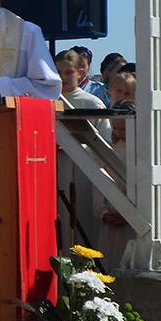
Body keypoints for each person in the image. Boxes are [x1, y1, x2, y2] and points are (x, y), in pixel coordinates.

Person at [55, 49, 111, 257]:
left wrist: (73, 145)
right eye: (58, 71)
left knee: (83, 227)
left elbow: (104, 144)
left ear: (80, 72)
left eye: (68, 72)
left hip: (83, 174)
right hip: (55, 172)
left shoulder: (91, 103)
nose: (62, 77)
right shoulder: (45, 99)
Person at [92, 100, 137, 273]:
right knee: (107, 259)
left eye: (123, 129)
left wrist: (130, 212)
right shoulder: (108, 149)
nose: (118, 132)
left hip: (131, 214)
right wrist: (102, 211)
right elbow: (99, 182)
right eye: (115, 128)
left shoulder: (141, 150)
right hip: (111, 209)